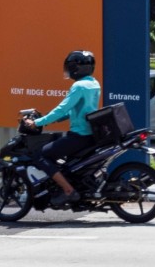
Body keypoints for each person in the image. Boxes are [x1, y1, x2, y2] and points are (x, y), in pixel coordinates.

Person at [22, 49, 101, 207]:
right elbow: (79, 110)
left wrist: (37, 122)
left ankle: (68, 190)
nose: (68, 70)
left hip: (79, 135)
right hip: (90, 134)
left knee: (40, 155)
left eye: (70, 66)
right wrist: (51, 120)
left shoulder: (79, 86)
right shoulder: (93, 83)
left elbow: (62, 109)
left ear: (76, 68)